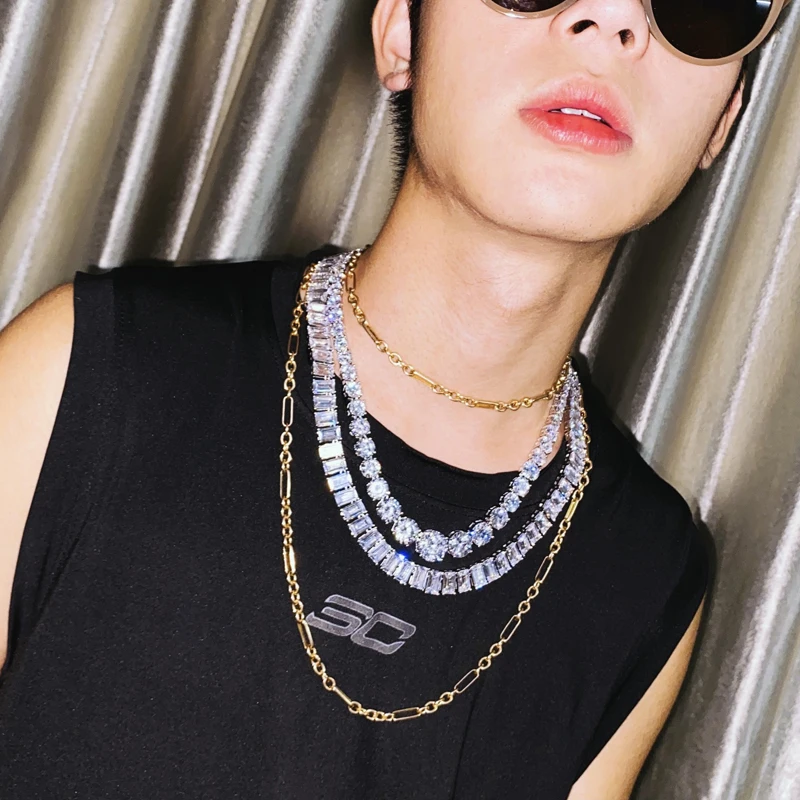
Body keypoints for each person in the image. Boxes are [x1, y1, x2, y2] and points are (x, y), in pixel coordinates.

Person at [0, 1, 791, 797]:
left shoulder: (642, 580)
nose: (612, 19)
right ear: (402, 36)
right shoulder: (82, 372)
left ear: (723, 119)